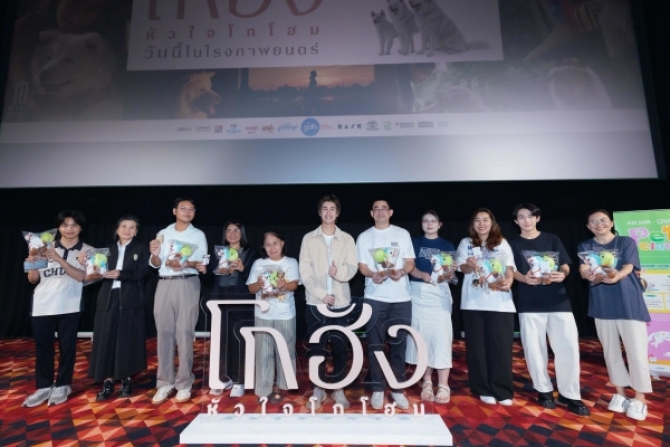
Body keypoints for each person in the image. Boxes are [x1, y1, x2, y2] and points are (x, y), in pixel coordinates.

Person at [508, 204, 589, 416]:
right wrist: (523, 278)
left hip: (558, 301)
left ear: (537, 218)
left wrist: (563, 273)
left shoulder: (552, 239)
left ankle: (570, 393)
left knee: (568, 347)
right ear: (516, 221)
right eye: (521, 217)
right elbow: (510, 271)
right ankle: (543, 389)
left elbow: (565, 265)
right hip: (529, 303)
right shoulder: (512, 244)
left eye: (530, 216)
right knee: (534, 349)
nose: (526, 220)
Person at [578, 209, 652, 421]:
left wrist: (618, 275)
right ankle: (620, 393)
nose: (599, 224)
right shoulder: (585, 246)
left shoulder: (625, 242)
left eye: (603, 220)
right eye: (593, 222)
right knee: (610, 352)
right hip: (602, 303)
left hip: (628, 302)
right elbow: (583, 269)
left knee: (636, 351)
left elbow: (629, 266)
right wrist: (587, 273)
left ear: (611, 223)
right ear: (588, 227)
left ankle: (640, 398)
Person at [22, 211, 90, 407]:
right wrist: (33, 263)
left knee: (67, 347)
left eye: (74, 225)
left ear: (80, 228)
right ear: (58, 228)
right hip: (42, 305)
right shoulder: (43, 246)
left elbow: (82, 277)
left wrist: (59, 259)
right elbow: (32, 279)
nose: (69, 229)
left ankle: (62, 384)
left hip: (70, 305)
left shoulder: (87, 250)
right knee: (43, 347)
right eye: (65, 225)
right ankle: (44, 386)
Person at [299, 194, 358, 409]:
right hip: (316, 303)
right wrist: (321, 294)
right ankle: (319, 388)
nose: (328, 212)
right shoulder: (309, 238)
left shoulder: (347, 239)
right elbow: (305, 271)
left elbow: (352, 267)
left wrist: (338, 273)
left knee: (340, 348)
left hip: (341, 303)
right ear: (319, 212)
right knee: (317, 348)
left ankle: (339, 388)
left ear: (338, 213)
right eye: (325, 208)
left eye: (332, 208)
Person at [356, 199, 415, 410]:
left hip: (401, 298)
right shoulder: (364, 237)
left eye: (384, 208)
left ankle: (398, 389)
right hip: (375, 298)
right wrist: (373, 274)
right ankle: (378, 388)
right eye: (376, 209)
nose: (380, 212)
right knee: (375, 345)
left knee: (399, 346)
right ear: (371, 213)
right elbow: (362, 266)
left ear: (391, 212)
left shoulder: (402, 234)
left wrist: (402, 271)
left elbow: (410, 262)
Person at [149, 196, 208, 404]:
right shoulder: (163, 233)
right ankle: (165, 382)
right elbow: (155, 263)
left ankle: (184, 383)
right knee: (164, 333)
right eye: (183, 208)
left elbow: (202, 261)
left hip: (187, 283)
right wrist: (155, 254)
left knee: (185, 333)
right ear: (174, 211)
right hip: (164, 283)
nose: (187, 212)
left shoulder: (198, 235)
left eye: (191, 209)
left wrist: (186, 263)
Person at [457, 208, 516, 406]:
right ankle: (482, 387)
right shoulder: (466, 243)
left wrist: (508, 282)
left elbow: (509, 269)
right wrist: (469, 263)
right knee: (476, 348)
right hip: (473, 302)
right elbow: (463, 269)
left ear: (492, 223)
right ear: (472, 224)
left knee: (501, 347)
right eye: (477, 220)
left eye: (485, 220)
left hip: (500, 302)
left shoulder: (502, 243)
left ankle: (502, 389)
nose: (481, 224)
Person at [87, 215, 150, 401]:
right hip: (107, 299)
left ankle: (126, 379)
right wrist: (89, 264)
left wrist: (121, 274)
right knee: (105, 339)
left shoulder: (141, 249)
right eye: (124, 226)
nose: (127, 230)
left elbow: (142, 272)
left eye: (132, 227)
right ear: (117, 230)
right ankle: (107, 380)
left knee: (127, 339)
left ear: (136, 232)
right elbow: (96, 271)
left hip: (130, 300)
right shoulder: (106, 251)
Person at [406, 210, 455, 404]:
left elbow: (449, 272)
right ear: (421, 224)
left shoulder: (447, 245)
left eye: (433, 220)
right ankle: (426, 381)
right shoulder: (414, 242)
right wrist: (420, 275)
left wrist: (448, 273)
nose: (429, 223)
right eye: (425, 220)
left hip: (439, 293)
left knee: (442, 337)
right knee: (422, 337)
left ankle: (443, 385)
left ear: (440, 224)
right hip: (418, 292)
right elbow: (409, 266)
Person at [247, 231, 300, 402]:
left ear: (282, 243)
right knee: (263, 353)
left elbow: (295, 285)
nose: (272, 248)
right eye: (268, 244)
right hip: (263, 314)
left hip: (285, 314)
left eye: (275, 243)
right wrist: (259, 284)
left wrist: (283, 285)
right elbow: (251, 289)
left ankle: (282, 386)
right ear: (264, 247)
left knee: (286, 352)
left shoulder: (291, 262)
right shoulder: (258, 263)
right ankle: (263, 389)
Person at [209, 219, 258, 396]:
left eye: (236, 230)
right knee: (221, 340)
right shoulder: (218, 253)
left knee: (239, 340)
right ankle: (223, 378)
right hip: (220, 298)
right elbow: (209, 278)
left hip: (241, 300)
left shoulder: (251, 253)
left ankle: (239, 380)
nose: (232, 234)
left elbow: (256, 279)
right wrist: (207, 270)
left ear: (242, 233)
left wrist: (243, 269)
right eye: (228, 230)